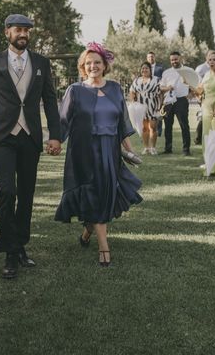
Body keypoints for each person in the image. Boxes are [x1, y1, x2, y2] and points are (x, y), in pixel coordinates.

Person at [0, 14, 61, 279]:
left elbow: (51, 101)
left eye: (26, 30)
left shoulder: (42, 63)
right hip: (3, 137)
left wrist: (55, 135)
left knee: (26, 193)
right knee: (7, 191)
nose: (23, 34)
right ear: (7, 32)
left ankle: (20, 244)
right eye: (18, 29)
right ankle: (10, 252)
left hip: (30, 136)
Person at [55, 43, 142, 267]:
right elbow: (63, 121)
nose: (93, 66)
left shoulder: (114, 89)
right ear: (83, 67)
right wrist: (55, 142)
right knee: (94, 191)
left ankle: (87, 233)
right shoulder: (75, 90)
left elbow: (122, 123)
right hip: (84, 151)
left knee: (105, 193)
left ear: (104, 65)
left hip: (110, 150)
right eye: (88, 63)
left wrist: (130, 151)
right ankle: (104, 247)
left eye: (97, 62)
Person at [160, 51, 192, 156]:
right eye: (172, 60)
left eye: (176, 59)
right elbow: (161, 87)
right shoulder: (166, 72)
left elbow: (195, 84)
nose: (174, 61)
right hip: (168, 101)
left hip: (181, 100)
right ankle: (168, 148)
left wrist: (190, 95)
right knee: (168, 126)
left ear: (180, 58)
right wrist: (168, 88)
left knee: (184, 125)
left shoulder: (188, 70)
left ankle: (186, 149)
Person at [129, 62, 161, 155]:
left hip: (153, 106)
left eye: (146, 68)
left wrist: (160, 106)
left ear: (150, 70)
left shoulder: (156, 80)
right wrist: (133, 102)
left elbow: (160, 94)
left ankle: (153, 148)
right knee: (144, 128)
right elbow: (132, 92)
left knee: (153, 127)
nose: (144, 70)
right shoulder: (136, 80)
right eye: (142, 68)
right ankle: (146, 147)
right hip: (140, 108)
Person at [194, 59, 211, 145]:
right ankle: (198, 138)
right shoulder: (200, 68)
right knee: (204, 117)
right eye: (210, 57)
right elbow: (196, 82)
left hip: (212, 96)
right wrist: (198, 96)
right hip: (203, 96)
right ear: (206, 57)